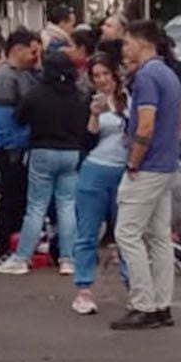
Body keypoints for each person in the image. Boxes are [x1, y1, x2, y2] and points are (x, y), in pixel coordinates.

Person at [111, 20, 181, 331]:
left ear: (142, 44)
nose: (124, 49)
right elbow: (179, 124)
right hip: (167, 164)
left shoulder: (146, 77)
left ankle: (143, 303)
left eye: (127, 43)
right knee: (158, 237)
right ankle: (161, 303)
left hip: (148, 166)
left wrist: (134, 161)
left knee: (127, 233)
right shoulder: (169, 74)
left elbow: (145, 124)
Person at [0, 50, 88, 274]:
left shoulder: (37, 94)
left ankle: (22, 257)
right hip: (71, 153)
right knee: (67, 205)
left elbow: (19, 118)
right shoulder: (78, 95)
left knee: (36, 206)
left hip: (42, 150)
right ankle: (67, 259)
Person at [73, 55, 129, 315]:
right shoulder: (88, 103)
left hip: (125, 171)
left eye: (105, 74)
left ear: (115, 75)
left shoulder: (129, 100)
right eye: (96, 76)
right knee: (87, 232)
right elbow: (85, 141)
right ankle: (83, 290)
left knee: (127, 234)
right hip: (95, 168)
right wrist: (94, 117)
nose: (102, 80)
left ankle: (134, 288)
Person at [0, 29, 42, 262]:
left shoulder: (26, 74)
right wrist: (13, 148)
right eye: (31, 51)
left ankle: (15, 241)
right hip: (11, 146)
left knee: (20, 197)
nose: (34, 56)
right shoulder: (5, 78)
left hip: (22, 143)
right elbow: (1, 119)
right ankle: (3, 246)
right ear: (18, 50)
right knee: (10, 197)